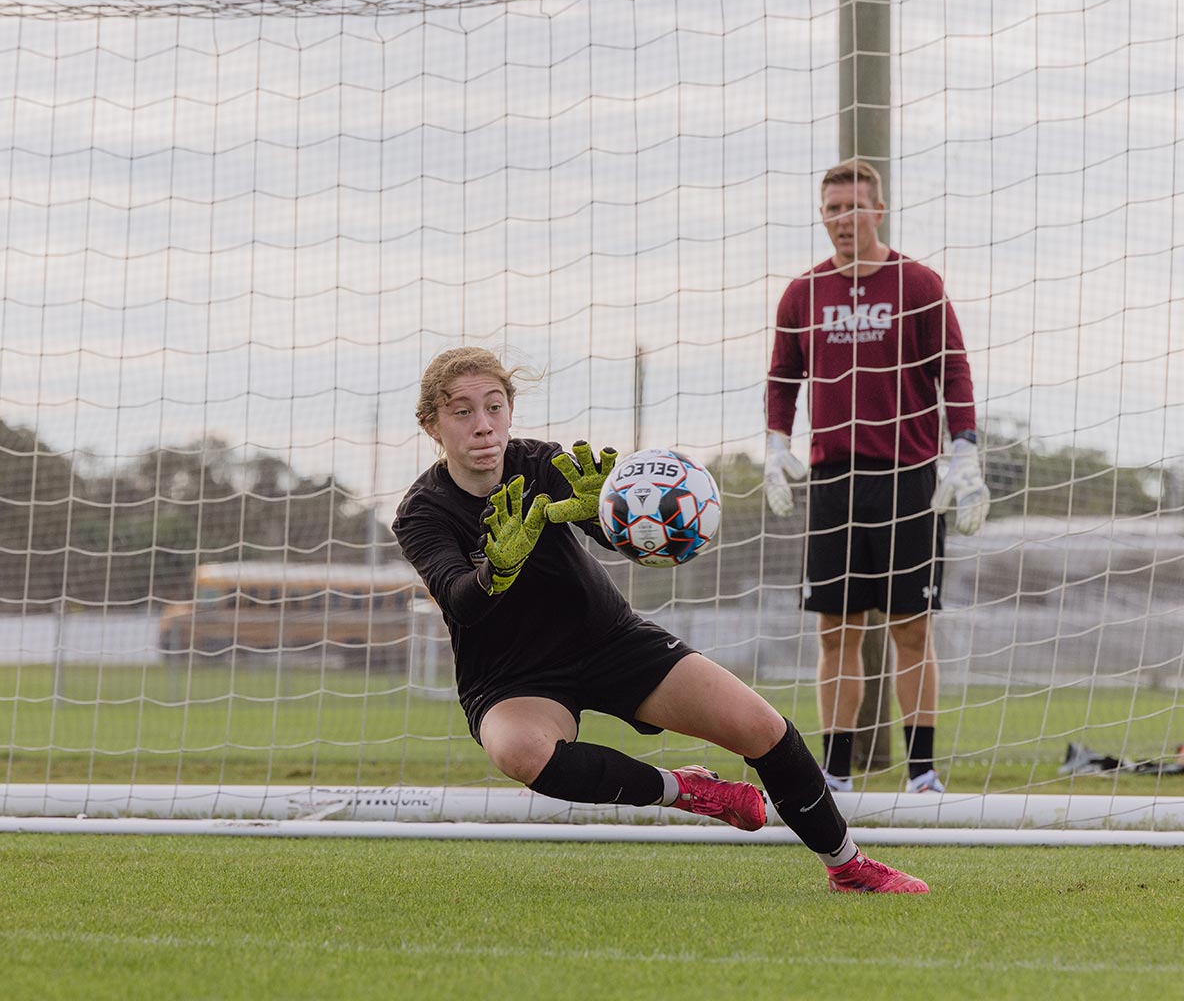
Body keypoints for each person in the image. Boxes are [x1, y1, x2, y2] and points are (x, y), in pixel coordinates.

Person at [392, 345, 929, 893]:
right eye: (462, 412)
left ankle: (848, 865)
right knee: (519, 752)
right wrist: (496, 570)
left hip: (607, 640)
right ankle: (685, 790)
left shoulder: (542, 464)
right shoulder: (422, 511)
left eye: (495, 406)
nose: (484, 427)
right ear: (432, 424)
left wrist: (612, 511)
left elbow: (628, 542)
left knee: (763, 728)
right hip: (510, 674)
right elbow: (460, 601)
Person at [765, 159, 990, 795]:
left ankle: (922, 772)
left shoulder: (918, 284)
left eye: (854, 207)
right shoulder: (802, 293)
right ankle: (835, 772)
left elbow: (956, 372)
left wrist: (964, 448)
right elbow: (783, 379)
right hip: (833, 479)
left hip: (909, 476)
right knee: (836, 630)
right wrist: (777, 444)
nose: (843, 219)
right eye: (832, 209)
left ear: (879, 210)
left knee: (911, 628)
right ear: (823, 215)